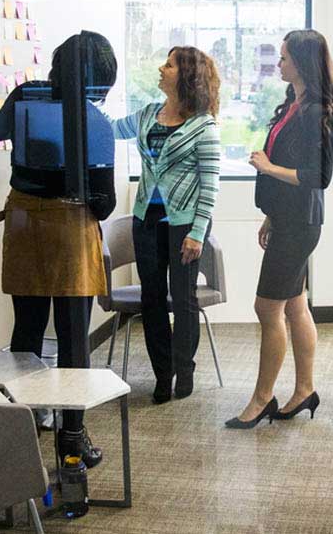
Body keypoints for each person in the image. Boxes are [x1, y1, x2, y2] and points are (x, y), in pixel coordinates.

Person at [0, 30, 118, 468]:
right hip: (68, 229)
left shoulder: (28, 94)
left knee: (25, 331)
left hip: (23, 222)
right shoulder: (94, 121)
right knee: (72, 339)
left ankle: (19, 435)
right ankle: (72, 438)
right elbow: (104, 204)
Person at [227, 29, 333, 429]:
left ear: (301, 62)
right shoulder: (294, 106)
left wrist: (268, 167)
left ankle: (262, 399)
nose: (278, 64)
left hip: (301, 224)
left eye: (283, 58)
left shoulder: (316, 112)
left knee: (267, 307)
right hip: (288, 219)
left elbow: (318, 176)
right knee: (295, 306)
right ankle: (304, 390)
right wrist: (270, 215)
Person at [108, 46, 221, 404]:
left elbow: (210, 183)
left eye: (169, 64)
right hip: (147, 221)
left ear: (185, 75)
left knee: (183, 299)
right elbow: (111, 129)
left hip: (184, 224)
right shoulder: (146, 115)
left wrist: (198, 233)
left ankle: (183, 368)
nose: (161, 67)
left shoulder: (203, 126)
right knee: (152, 299)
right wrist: (82, 104)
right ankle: (162, 374)